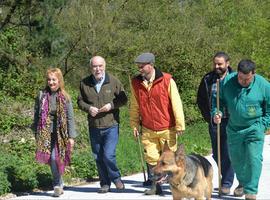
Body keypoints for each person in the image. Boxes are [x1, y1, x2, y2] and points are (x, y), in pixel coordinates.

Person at [213, 59, 270, 200]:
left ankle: (251, 191)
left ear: (253, 74)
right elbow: (218, 101)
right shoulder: (227, 82)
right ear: (237, 73)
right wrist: (217, 112)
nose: (243, 81)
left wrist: (264, 124)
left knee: (254, 158)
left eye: (247, 79)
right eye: (240, 78)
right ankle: (243, 183)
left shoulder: (263, 85)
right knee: (237, 160)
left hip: (255, 127)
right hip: (234, 129)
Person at [129, 52, 185, 195]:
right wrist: (134, 125)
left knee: (168, 158)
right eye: (138, 66)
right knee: (152, 158)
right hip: (148, 127)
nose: (140, 68)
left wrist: (180, 124)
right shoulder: (136, 83)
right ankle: (155, 187)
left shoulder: (167, 80)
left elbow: (176, 103)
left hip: (167, 126)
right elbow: (134, 106)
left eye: (142, 66)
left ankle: (175, 185)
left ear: (152, 65)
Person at [77, 56, 128, 193]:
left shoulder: (113, 81)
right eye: (94, 66)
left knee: (108, 155)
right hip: (94, 126)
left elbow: (123, 99)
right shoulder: (84, 83)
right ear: (91, 68)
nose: (97, 69)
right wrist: (88, 108)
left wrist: (111, 105)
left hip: (111, 125)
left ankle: (116, 179)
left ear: (104, 66)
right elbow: (80, 102)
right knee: (98, 156)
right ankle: (105, 183)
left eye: (100, 66)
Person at [33, 68, 77, 197]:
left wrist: (71, 136)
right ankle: (58, 184)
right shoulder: (41, 95)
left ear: (59, 81)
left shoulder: (65, 97)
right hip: (45, 132)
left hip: (61, 133)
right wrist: (36, 132)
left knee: (56, 158)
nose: (51, 82)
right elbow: (37, 114)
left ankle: (58, 183)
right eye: (49, 79)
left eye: (54, 79)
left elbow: (70, 117)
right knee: (51, 158)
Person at [196, 52, 235, 195]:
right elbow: (201, 99)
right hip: (215, 122)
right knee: (217, 153)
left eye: (220, 64)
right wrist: (209, 117)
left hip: (231, 121)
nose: (217, 66)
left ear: (227, 63)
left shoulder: (235, 79)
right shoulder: (208, 79)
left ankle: (226, 182)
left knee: (228, 152)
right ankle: (228, 177)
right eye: (215, 64)